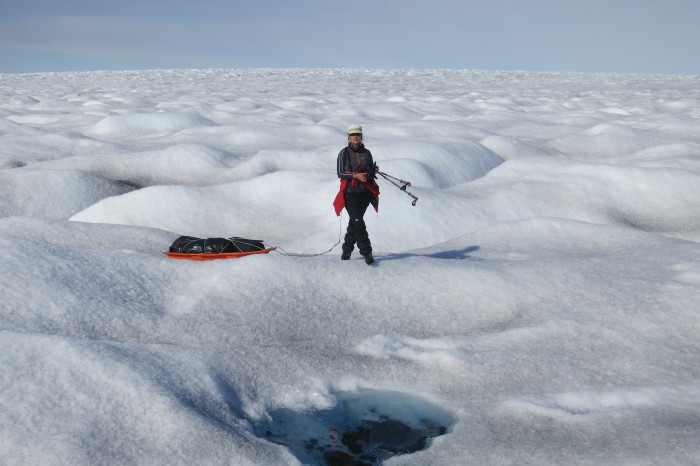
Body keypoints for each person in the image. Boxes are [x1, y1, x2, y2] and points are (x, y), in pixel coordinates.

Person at [333, 124, 380, 265]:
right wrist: (355, 175)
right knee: (358, 223)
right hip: (350, 193)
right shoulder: (344, 153)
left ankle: (346, 251)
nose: (355, 137)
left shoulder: (367, 153)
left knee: (354, 222)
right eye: (353, 134)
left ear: (361, 136)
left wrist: (373, 172)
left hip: (365, 193)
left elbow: (369, 172)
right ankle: (367, 253)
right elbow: (340, 173)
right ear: (348, 137)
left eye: (357, 134)